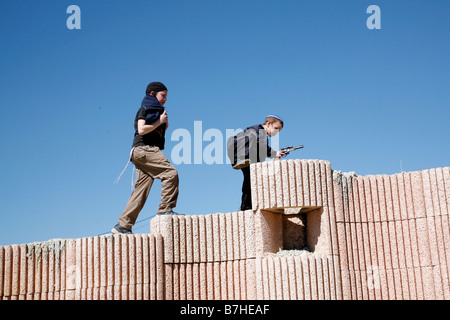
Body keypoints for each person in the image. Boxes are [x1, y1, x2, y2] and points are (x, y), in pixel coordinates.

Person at [112, 82, 182, 235]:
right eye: (163, 96)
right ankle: (165, 209)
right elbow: (142, 129)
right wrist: (160, 122)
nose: (165, 100)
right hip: (145, 150)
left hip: (140, 152)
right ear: (152, 94)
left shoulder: (155, 110)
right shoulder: (144, 109)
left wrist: (164, 123)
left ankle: (123, 226)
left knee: (141, 191)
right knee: (170, 174)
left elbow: (157, 129)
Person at [227, 115, 285, 211]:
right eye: (276, 129)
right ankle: (246, 206)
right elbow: (263, 146)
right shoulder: (260, 131)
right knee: (252, 181)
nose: (276, 132)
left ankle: (245, 206)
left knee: (249, 181)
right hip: (247, 157)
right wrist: (275, 153)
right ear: (268, 123)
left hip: (243, 158)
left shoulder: (254, 130)